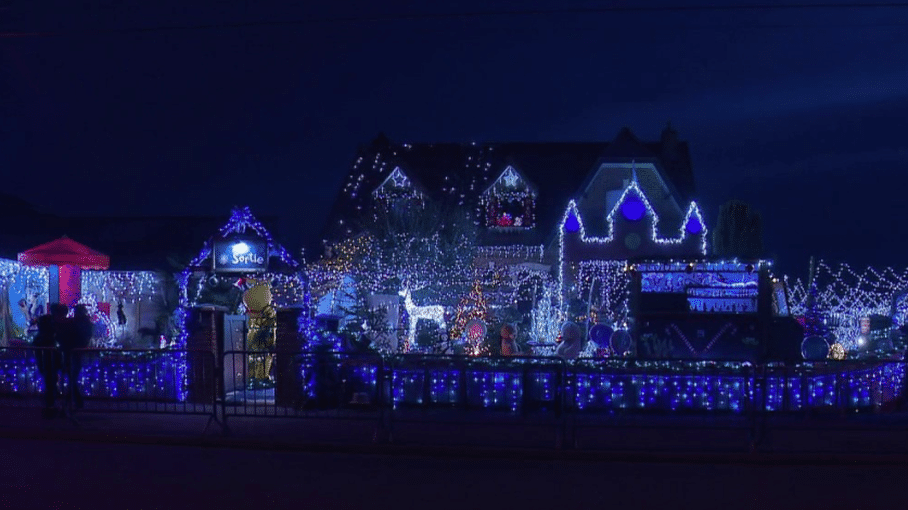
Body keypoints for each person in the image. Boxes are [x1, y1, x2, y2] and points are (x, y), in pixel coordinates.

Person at [60, 305, 93, 410]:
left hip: (74, 351)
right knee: (72, 377)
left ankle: (71, 402)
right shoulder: (83, 323)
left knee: (72, 377)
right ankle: (74, 401)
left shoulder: (79, 323)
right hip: (74, 351)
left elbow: (79, 336)